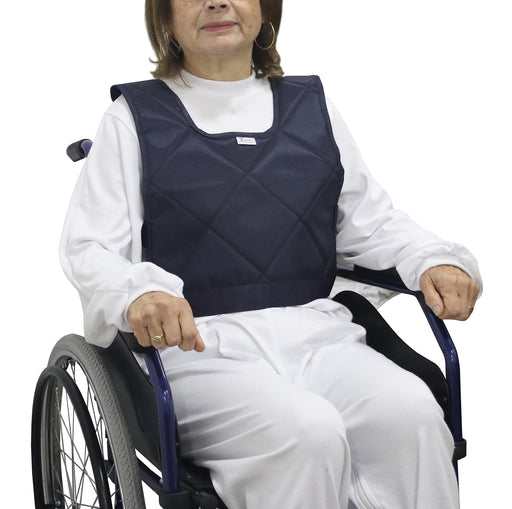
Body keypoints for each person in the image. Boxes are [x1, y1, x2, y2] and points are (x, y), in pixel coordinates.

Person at [60, 0, 482, 508]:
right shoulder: (132, 118)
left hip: (318, 336)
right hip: (197, 350)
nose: (217, 1)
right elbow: (90, 245)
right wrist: (140, 293)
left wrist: (431, 258)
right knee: (306, 433)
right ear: (165, 15)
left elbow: (371, 221)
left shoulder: (313, 108)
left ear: (264, 8)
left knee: (412, 414)